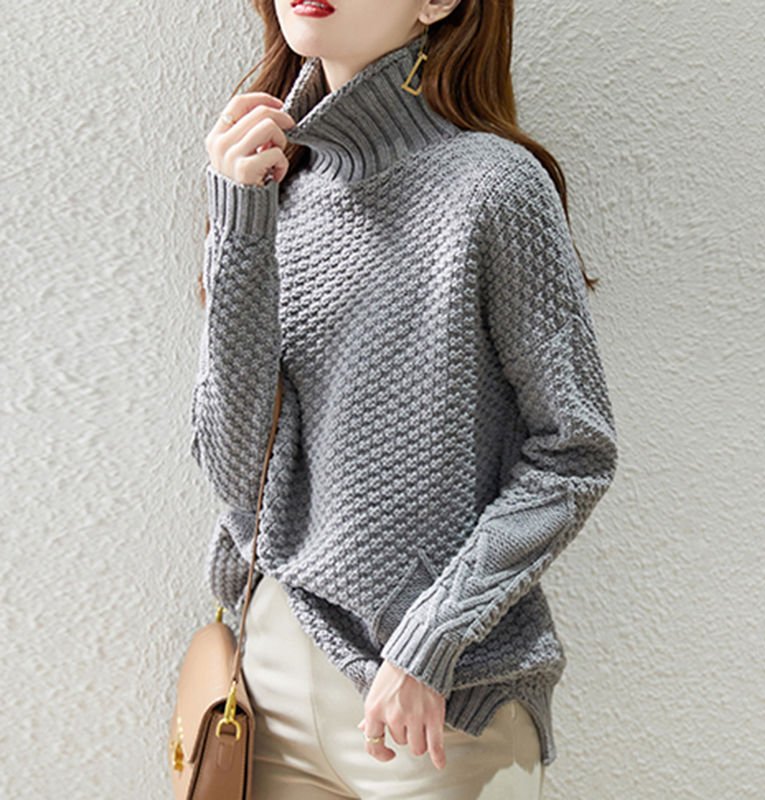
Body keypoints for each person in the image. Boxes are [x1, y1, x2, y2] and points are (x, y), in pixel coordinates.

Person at [190, 1, 618, 797]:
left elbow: (575, 452)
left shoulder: (494, 187)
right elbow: (236, 473)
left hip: (441, 701)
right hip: (269, 676)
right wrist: (239, 224)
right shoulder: (268, 190)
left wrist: (433, 637)